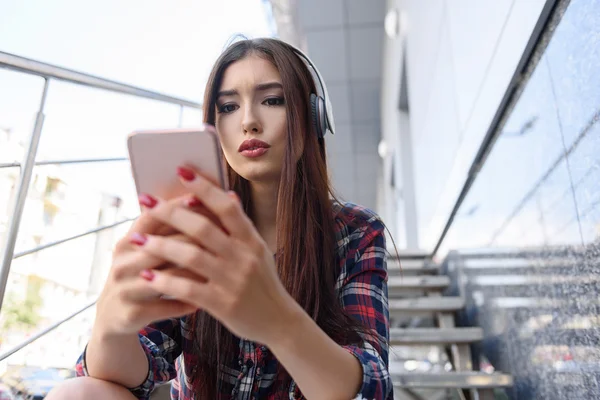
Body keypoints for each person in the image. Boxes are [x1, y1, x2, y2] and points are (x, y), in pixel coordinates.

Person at [46, 37, 393, 400]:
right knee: (77, 393)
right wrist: (111, 324)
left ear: (314, 117)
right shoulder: (193, 231)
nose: (248, 122)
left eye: (272, 100)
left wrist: (277, 320)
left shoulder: (356, 232)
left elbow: (371, 388)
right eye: (228, 107)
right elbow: (132, 373)